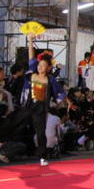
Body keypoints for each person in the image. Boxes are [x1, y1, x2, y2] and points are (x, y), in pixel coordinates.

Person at [18, 34, 68, 166]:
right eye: (39, 65)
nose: (41, 67)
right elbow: (31, 56)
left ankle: (42, 156)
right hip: (27, 105)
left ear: (48, 68)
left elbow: (59, 93)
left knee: (41, 133)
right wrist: (30, 40)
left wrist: (67, 102)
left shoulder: (50, 79)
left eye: (44, 66)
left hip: (40, 108)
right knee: (16, 124)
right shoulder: (32, 73)